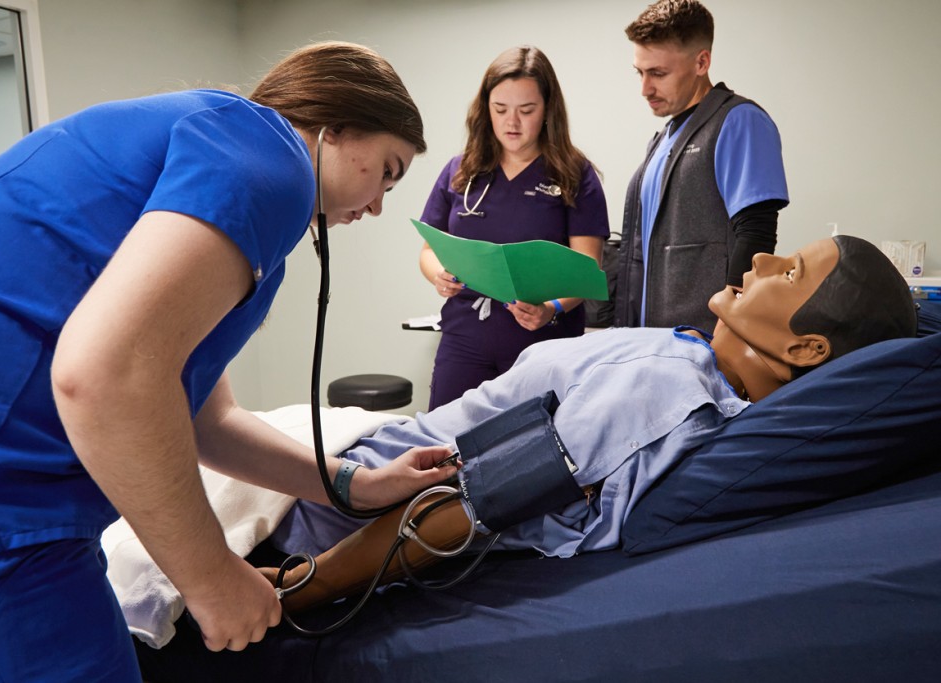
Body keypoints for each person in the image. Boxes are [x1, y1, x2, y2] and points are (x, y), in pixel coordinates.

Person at [0, 41, 460, 682]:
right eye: (387, 171)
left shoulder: (217, 141)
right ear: (335, 125)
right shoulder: (271, 161)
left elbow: (205, 418)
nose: (376, 207)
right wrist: (211, 578)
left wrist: (354, 485)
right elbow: (105, 376)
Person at [260, 235, 916, 614]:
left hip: (312, 510)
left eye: (791, 271)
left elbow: (468, 504)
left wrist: (295, 588)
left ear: (807, 349)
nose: (763, 260)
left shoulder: (666, 390)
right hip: (340, 455)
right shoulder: (688, 354)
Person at [419, 45, 610, 410]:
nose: (512, 122)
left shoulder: (574, 175)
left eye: (526, 110)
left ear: (548, 110)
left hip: (544, 343)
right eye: (500, 109)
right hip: (465, 336)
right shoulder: (461, 171)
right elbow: (429, 249)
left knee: (532, 455)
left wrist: (551, 308)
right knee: (444, 446)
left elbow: (588, 268)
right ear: (485, 109)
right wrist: (438, 274)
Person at [614, 0, 789, 332]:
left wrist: (731, 328)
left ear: (701, 61)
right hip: (650, 340)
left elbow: (756, 233)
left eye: (658, 73)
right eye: (640, 72)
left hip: (704, 340)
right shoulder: (663, 139)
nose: (644, 88)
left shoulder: (740, 121)